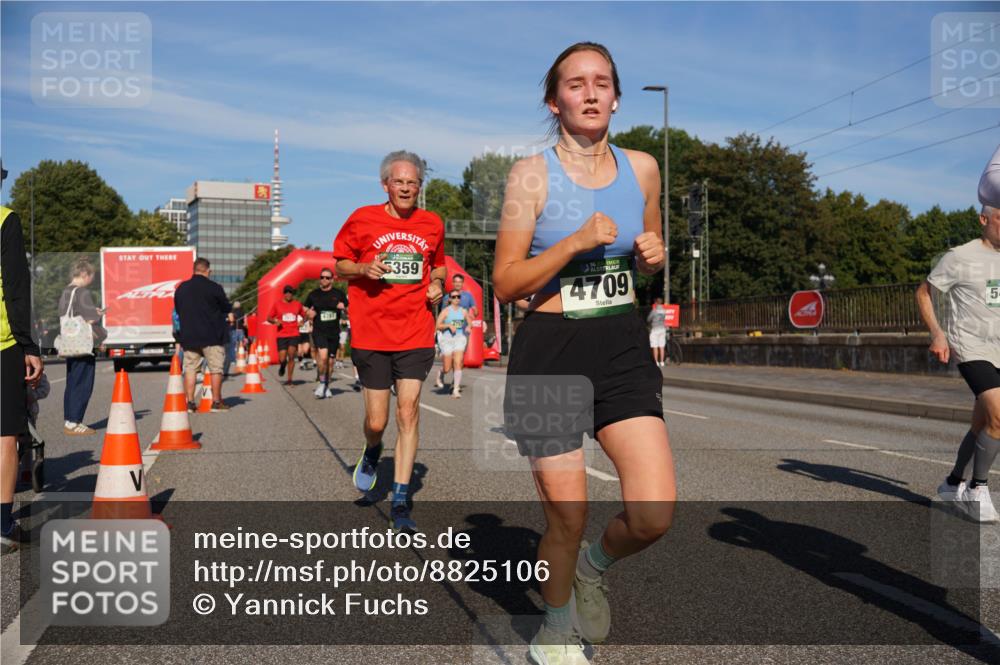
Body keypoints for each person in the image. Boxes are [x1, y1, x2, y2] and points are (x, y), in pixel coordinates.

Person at [493, 43, 674, 663]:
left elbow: (648, 250)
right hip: (550, 351)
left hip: (621, 345)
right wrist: (572, 241)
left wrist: (655, 256)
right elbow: (506, 282)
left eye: (602, 82)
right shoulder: (529, 175)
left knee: (654, 513)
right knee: (567, 517)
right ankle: (555, 622)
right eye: (576, 84)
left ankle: (594, 569)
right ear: (555, 101)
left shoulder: (644, 168)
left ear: (616, 96)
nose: (591, 93)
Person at [333, 150, 447, 533]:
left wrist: (436, 283)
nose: (405, 187)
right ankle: (372, 449)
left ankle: (399, 499)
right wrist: (363, 267)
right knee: (378, 421)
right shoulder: (362, 218)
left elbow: (441, 264)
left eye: (412, 182)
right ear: (385, 184)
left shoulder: (432, 223)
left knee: (408, 411)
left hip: (415, 331)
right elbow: (339, 264)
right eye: (398, 181)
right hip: (372, 333)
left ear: (419, 186)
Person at [919, 143, 1000, 522]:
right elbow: (924, 291)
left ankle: (952, 483)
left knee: (982, 423)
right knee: (999, 415)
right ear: (983, 219)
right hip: (971, 348)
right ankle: (979, 489)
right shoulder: (960, 255)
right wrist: (937, 333)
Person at [1, 196, 44, 554]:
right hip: (2, 344)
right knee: (4, 437)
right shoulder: (6, 220)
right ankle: (2, 525)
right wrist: (29, 346)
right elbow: (16, 289)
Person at [174, 258, 232, 412]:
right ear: (208, 270)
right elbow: (226, 307)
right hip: (212, 336)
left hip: (190, 336)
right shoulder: (215, 288)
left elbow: (178, 311)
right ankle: (216, 402)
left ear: (194, 269)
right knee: (216, 369)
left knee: (191, 369)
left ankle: (190, 403)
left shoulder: (181, 288)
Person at [58, 259, 105, 434]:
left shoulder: (66, 292)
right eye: (90, 277)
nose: (90, 281)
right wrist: (97, 314)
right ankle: (74, 421)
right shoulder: (81, 292)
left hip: (70, 343)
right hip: (82, 344)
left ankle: (70, 419)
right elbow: (90, 319)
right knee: (83, 382)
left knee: (72, 381)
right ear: (84, 274)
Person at [304, 268, 347, 398]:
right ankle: (322, 383)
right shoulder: (314, 294)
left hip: (334, 332)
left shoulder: (339, 293)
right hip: (319, 331)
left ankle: (326, 385)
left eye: (327, 278)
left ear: (332, 280)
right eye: (322, 277)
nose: (324, 279)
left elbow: (349, 306)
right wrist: (307, 312)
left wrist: (343, 307)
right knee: (323, 358)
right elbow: (305, 307)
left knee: (331, 362)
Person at [434, 290, 474, 397]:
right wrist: (448, 326)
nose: (456, 299)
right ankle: (441, 373)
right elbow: (437, 325)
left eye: (458, 297)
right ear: (450, 299)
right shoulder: (446, 311)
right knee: (447, 368)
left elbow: (470, 323)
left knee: (458, 362)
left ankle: (455, 390)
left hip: (459, 339)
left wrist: (469, 327)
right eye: (454, 297)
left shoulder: (463, 311)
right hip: (447, 340)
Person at [267, 285, 306, 385]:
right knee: (282, 358)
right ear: (284, 294)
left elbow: (305, 315)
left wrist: (302, 321)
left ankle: (290, 379)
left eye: (290, 292)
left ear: (292, 294)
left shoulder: (297, 304)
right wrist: (275, 321)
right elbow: (269, 318)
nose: (288, 294)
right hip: (281, 335)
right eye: (286, 292)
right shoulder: (277, 304)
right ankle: (282, 366)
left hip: (294, 334)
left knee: (292, 356)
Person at [224, 299, 246, 377]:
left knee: (228, 348)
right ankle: (226, 369)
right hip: (235, 330)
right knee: (233, 347)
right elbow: (243, 322)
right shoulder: (242, 312)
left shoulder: (230, 310)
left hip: (228, 331)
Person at [647, 296, 667, 367]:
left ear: (656, 303)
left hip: (655, 329)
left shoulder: (654, 311)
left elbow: (648, 319)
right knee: (662, 346)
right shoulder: (664, 311)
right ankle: (662, 362)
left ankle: (656, 362)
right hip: (662, 329)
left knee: (655, 346)